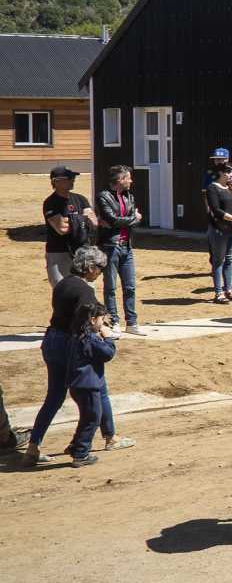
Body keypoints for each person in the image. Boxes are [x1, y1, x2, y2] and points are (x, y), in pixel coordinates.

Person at [24, 246, 110, 466]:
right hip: (67, 344)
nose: (100, 273)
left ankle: (33, 446)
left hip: (51, 339)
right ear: (90, 267)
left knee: (54, 397)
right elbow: (84, 323)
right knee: (95, 392)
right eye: (99, 268)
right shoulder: (85, 292)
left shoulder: (62, 283)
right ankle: (98, 441)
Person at [63, 301, 127, 467]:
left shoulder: (77, 335)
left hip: (78, 385)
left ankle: (76, 446)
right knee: (92, 419)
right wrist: (108, 338)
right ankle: (81, 454)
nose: (103, 322)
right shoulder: (90, 338)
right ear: (92, 320)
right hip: (88, 386)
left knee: (87, 417)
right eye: (101, 319)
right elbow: (107, 353)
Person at [94, 165, 145, 335]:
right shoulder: (104, 196)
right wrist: (133, 218)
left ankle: (132, 322)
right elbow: (113, 220)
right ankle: (113, 321)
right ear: (120, 180)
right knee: (110, 287)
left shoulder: (129, 196)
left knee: (130, 286)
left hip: (127, 246)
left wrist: (128, 220)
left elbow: (121, 220)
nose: (131, 181)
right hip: (110, 246)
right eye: (128, 178)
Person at [42, 164, 97, 285]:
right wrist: (82, 219)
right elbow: (62, 228)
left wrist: (72, 220)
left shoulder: (81, 199)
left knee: (86, 289)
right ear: (55, 182)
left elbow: (93, 222)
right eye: (69, 178)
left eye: (73, 178)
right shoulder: (50, 203)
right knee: (62, 290)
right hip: (58, 252)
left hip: (81, 251)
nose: (73, 181)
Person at [205, 163, 232, 304]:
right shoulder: (212, 188)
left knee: (229, 259)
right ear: (221, 173)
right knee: (219, 261)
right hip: (220, 230)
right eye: (228, 172)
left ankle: (228, 290)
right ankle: (218, 293)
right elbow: (216, 210)